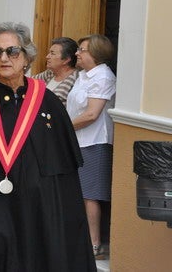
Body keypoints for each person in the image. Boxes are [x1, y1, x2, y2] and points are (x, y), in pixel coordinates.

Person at [0, 22, 95, 271]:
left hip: (36, 212)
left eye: (12, 51)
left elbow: (65, 177)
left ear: (26, 57)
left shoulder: (48, 103)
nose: (4, 58)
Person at [66, 34, 117, 261]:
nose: (77, 53)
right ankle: (82, 240)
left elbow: (91, 114)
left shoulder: (103, 76)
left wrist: (61, 127)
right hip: (78, 139)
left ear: (95, 54)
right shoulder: (84, 75)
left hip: (94, 141)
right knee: (79, 193)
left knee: (90, 196)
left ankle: (94, 244)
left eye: (82, 49)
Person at [33, 36, 79, 105]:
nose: (47, 57)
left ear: (66, 60)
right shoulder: (50, 73)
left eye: (52, 53)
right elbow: (29, 82)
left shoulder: (76, 79)